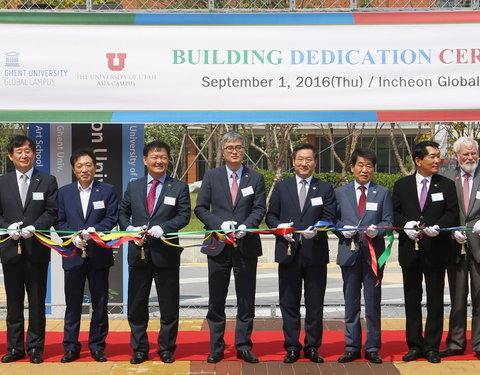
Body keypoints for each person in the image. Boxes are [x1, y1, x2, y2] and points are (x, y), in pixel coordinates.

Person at [194, 131, 266, 364]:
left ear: (245, 150)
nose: (234, 151)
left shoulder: (255, 177)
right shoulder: (211, 176)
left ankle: (244, 346)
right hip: (218, 245)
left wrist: (247, 225)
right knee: (217, 299)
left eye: (238, 147)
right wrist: (218, 224)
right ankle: (216, 347)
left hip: (246, 244)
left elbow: (259, 208)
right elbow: (201, 208)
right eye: (229, 148)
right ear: (223, 151)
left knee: (246, 299)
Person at [118, 140, 190, 364]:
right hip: (139, 253)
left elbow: (184, 216)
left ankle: (166, 348)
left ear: (168, 160)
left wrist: (165, 228)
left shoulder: (178, 187)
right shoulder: (134, 186)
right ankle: (139, 348)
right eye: (154, 157)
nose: (159, 161)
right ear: (145, 160)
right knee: (137, 305)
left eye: (163, 157)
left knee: (169, 305)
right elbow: (122, 214)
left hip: (166, 253)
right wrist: (130, 230)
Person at [266, 143, 336, 364]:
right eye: (300, 159)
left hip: (315, 253)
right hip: (288, 252)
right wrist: (281, 229)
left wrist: (316, 230)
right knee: (289, 303)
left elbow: (330, 217)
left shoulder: (325, 188)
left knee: (315, 303)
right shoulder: (282, 187)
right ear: (293, 162)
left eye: (309, 159)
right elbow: (271, 217)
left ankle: (313, 347)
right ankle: (292, 346)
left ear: (315, 162)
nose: (304, 163)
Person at [393, 140, 459, 363]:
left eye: (438, 156)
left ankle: (431, 346)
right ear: (418, 160)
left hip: (436, 250)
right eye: (431, 156)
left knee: (435, 301)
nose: (437, 160)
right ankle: (414, 345)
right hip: (410, 250)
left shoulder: (446, 185)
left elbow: (452, 214)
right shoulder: (402, 185)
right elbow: (394, 213)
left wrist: (439, 227)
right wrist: (406, 226)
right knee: (412, 300)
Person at [56, 148, 118, 363]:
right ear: (74, 169)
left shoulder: (107, 190)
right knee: (72, 303)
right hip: (73, 253)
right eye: (80, 166)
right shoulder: (64, 192)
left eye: (88, 165)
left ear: (95, 167)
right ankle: (71, 346)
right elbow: (59, 221)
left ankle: (97, 346)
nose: (84, 169)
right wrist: (72, 237)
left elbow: (112, 218)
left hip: (98, 253)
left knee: (99, 302)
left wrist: (93, 233)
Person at [0, 135, 58, 364]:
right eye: (19, 151)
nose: (24, 155)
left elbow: (52, 212)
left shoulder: (47, 180)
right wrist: (7, 227)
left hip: (37, 249)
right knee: (13, 303)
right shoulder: (2, 181)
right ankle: (15, 348)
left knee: (36, 302)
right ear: (10, 156)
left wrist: (35, 227)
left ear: (34, 153)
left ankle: (35, 347)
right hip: (10, 249)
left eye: (28, 151)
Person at [335, 148, 393, 364]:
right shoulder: (340, 192)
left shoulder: (383, 192)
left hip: (373, 256)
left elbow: (388, 222)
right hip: (349, 254)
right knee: (351, 303)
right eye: (360, 165)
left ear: (374, 169)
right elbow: (333, 221)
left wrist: (377, 229)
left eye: (369, 165)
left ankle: (372, 347)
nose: (364, 169)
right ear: (352, 168)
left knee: (372, 304)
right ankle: (351, 347)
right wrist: (342, 229)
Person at [440, 136, 480, 359]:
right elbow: (443, 209)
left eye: (473, 153)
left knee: (479, 296)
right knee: (457, 297)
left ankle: (479, 342)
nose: (470, 157)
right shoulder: (447, 178)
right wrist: (452, 228)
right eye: (465, 154)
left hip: (479, 245)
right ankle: (455, 342)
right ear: (456, 156)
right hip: (455, 246)